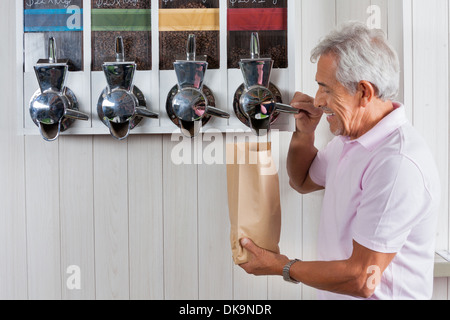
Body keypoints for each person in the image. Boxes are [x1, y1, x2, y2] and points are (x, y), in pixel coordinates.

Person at [239, 22, 441, 300]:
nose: (318, 100)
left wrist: (282, 267)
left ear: (364, 92)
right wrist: (304, 132)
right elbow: (302, 180)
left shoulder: (396, 163)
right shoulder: (353, 139)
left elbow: (362, 279)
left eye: (327, 89)